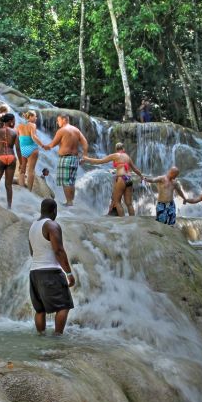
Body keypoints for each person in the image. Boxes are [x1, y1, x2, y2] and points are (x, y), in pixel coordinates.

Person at [29, 199, 75, 335]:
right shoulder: (52, 226)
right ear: (54, 210)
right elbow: (59, 251)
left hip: (34, 273)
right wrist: (69, 273)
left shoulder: (33, 227)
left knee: (40, 310)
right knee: (64, 306)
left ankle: (41, 337)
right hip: (50, 272)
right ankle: (57, 337)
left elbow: (32, 252)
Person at [83, 143, 144, 216]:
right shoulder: (127, 157)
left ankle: (124, 222)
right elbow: (135, 169)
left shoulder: (115, 155)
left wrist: (87, 159)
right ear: (123, 149)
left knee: (117, 202)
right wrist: (141, 176)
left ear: (116, 149)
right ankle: (133, 222)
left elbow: (99, 161)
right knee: (129, 204)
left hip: (121, 178)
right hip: (129, 179)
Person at [42, 114, 89, 207]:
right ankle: (71, 201)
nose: (57, 122)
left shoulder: (62, 130)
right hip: (75, 158)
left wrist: (45, 146)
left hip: (65, 159)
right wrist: (85, 155)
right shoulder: (76, 130)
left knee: (65, 181)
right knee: (71, 181)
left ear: (64, 120)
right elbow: (85, 143)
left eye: (58, 120)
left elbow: (52, 145)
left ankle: (69, 202)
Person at [0, 113, 22, 208]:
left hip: (0, 157)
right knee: (8, 185)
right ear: (10, 122)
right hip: (11, 157)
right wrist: (21, 163)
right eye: (14, 121)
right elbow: (18, 149)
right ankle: (9, 206)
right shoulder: (14, 132)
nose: (15, 122)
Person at [16, 110, 43, 191]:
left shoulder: (19, 125)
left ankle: (21, 187)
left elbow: (17, 138)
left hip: (22, 149)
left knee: (22, 168)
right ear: (30, 117)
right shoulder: (32, 125)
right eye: (35, 116)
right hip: (32, 148)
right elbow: (34, 137)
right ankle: (29, 191)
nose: (36, 118)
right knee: (31, 170)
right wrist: (42, 145)